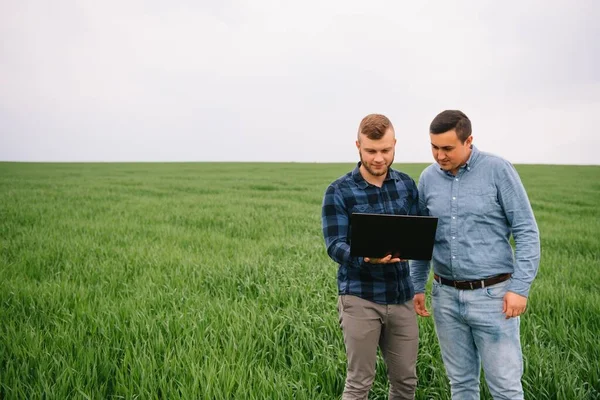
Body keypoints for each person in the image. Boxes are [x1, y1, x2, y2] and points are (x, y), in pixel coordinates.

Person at [410, 110, 541, 399]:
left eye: (447, 148)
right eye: (434, 147)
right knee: (461, 385)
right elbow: (421, 238)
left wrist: (520, 288)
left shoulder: (498, 170)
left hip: (494, 298)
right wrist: (417, 285)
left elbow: (527, 231)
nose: (439, 156)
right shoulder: (428, 178)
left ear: (469, 140)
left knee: (505, 388)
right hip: (445, 297)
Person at [322, 114, 419, 400]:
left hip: (401, 297)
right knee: (359, 382)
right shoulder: (339, 190)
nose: (379, 158)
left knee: (405, 382)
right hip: (359, 297)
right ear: (358, 147)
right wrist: (366, 257)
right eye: (371, 151)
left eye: (385, 150)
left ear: (394, 145)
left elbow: (420, 229)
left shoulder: (405, 184)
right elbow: (335, 245)